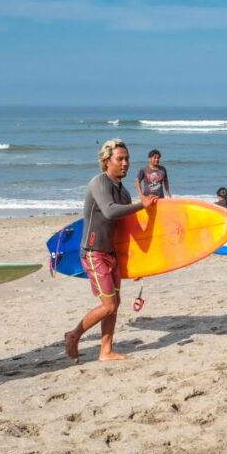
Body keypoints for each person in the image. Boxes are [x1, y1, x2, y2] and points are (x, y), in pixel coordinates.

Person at [64, 139, 158, 362]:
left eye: (127, 159)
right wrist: (141, 205)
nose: (125, 163)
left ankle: (105, 350)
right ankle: (73, 335)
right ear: (107, 161)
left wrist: (138, 264)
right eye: (120, 159)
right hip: (93, 252)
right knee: (109, 305)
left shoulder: (123, 193)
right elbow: (109, 211)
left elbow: (127, 233)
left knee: (114, 305)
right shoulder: (99, 183)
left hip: (111, 253)